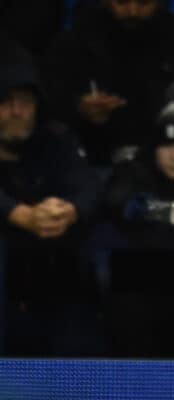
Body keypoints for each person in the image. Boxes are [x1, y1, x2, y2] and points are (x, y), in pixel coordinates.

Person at [0, 38, 104, 356]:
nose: (18, 111)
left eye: (26, 102)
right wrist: (17, 214)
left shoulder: (55, 139)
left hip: (54, 281)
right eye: (6, 101)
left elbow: (88, 186)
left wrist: (69, 211)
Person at [103, 76, 174, 358]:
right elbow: (121, 204)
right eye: (167, 146)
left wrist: (154, 211)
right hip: (137, 293)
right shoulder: (135, 170)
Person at [44, 0, 174, 166]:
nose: (133, 11)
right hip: (91, 158)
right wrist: (79, 108)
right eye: (122, 2)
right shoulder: (76, 42)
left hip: (167, 160)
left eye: (144, 2)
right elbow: (49, 103)